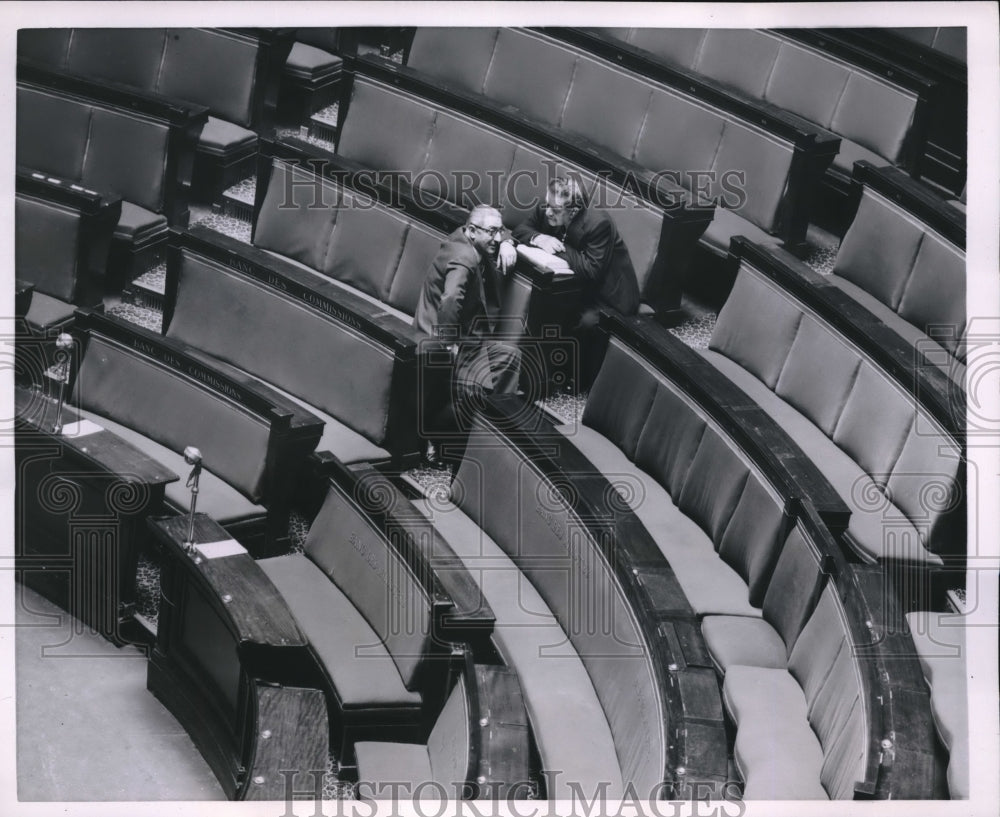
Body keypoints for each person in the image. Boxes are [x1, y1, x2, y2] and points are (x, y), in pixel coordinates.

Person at [413, 205, 520, 463]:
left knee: (510, 356)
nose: (496, 237)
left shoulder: (463, 235)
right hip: (440, 343)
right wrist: (448, 343)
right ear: (472, 231)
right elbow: (450, 300)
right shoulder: (465, 258)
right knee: (475, 388)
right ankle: (454, 446)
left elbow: (502, 228)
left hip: (468, 339)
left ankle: (493, 430)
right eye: (491, 233)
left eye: (498, 232)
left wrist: (506, 241)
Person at [512, 176, 640, 389]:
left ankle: (576, 379)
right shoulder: (550, 205)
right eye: (547, 205)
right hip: (574, 286)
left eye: (555, 210)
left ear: (573, 211)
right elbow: (521, 230)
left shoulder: (599, 223)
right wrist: (539, 238)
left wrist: (558, 247)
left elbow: (591, 271)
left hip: (608, 297)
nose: (547, 212)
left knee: (584, 321)